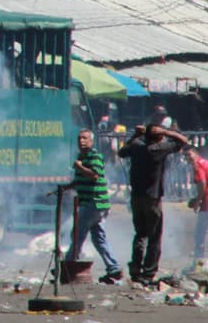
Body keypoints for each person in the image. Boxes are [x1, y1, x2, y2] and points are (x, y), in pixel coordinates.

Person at [117, 122, 188, 286]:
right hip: (153, 198)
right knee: (154, 237)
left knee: (140, 234)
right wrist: (167, 131)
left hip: (136, 197)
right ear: (159, 138)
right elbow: (183, 141)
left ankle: (135, 269)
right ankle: (148, 273)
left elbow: (122, 152)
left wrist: (136, 135)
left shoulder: (137, 147)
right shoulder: (158, 149)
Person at [65, 129, 122, 284]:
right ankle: (113, 268)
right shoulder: (81, 157)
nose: (81, 141)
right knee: (99, 238)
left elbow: (94, 175)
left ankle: (68, 265)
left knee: (78, 233)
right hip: (94, 203)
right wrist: (68, 187)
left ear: (91, 141)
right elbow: (83, 178)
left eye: (84, 138)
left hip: (95, 203)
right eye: (79, 138)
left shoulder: (94, 156)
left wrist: (80, 167)